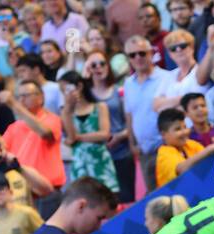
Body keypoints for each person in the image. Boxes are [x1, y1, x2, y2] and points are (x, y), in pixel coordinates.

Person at [0, 78, 65, 217]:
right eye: (18, 96)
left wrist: (14, 105)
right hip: (20, 193)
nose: (21, 100)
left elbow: (45, 133)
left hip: (47, 193)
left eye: (25, 96)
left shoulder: (52, 119)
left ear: (41, 98)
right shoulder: (14, 126)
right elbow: (1, 150)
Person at [122, 33, 175, 192]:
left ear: (151, 53)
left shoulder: (167, 77)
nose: (138, 57)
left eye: (142, 53)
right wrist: (132, 144)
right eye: (132, 55)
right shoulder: (128, 83)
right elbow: (129, 114)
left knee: (173, 190)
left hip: (166, 146)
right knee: (154, 196)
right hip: (144, 151)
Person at [85, 49, 135, 204]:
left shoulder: (119, 91)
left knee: (127, 198)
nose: (98, 67)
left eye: (102, 63)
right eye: (93, 65)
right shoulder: (85, 96)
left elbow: (130, 121)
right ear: (88, 70)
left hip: (122, 152)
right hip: (97, 156)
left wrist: (119, 136)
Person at [59, 70, 120, 195]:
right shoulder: (65, 112)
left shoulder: (100, 107)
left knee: (108, 196)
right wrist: (67, 110)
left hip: (100, 159)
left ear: (79, 86)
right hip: (79, 162)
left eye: (68, 88)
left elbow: (104, 134)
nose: (66, 93)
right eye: (63, 91)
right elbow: (70, 136)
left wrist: (78, 138)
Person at [155, 105, 214, 185]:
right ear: (163, 134)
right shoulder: (163, 154)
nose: (185, 132)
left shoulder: (190, 144)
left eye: (185, 127)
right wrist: (210, 148)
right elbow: (181, 170)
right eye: (178, 129)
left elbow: (210, 160)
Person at [152, 28, 205, 110]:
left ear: (192, 47)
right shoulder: (168, 76)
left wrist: (167, 102)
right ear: (169, 54)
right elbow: (156, 105)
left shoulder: (200, 71)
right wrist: (183, 99)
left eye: (182, 46)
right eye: (173, 48)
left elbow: (197, 100)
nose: (178, 50)